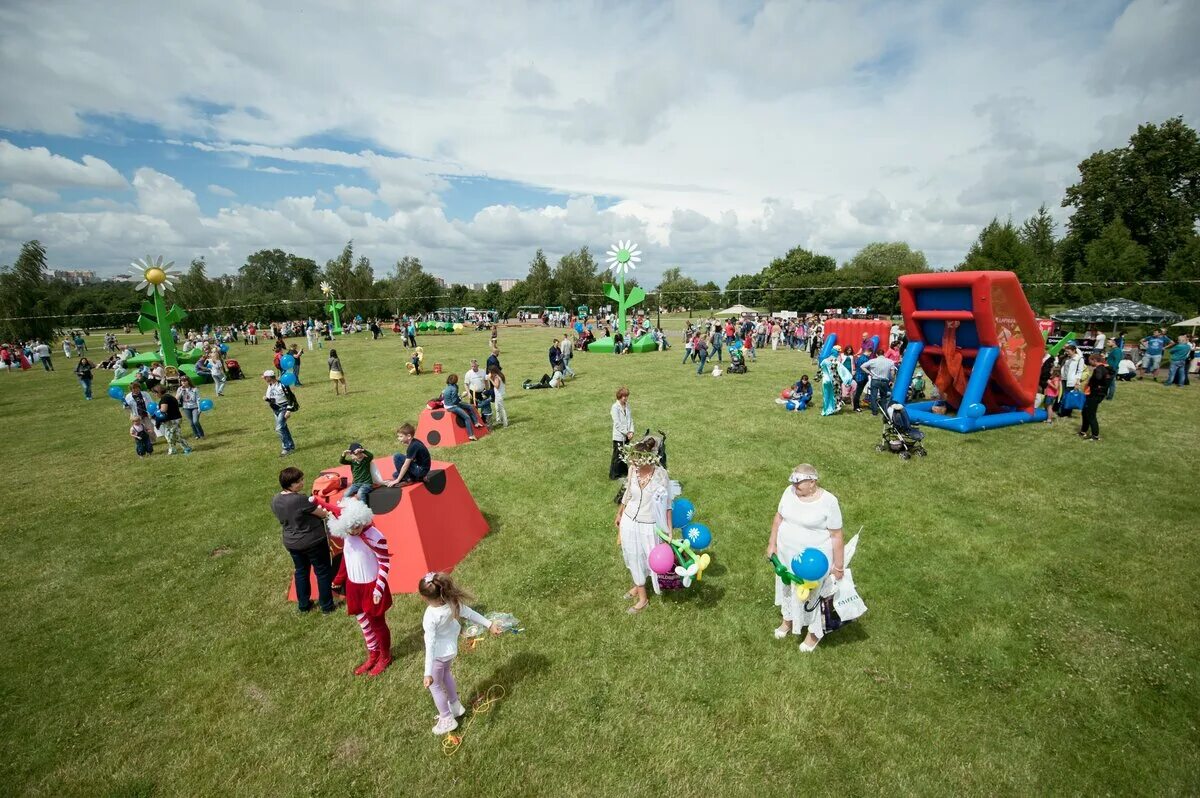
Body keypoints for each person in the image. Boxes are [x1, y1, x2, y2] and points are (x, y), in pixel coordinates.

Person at [765, 464, 845, 652]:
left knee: (814, 596)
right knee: (787, 588)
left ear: (812, 482)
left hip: (813, 563)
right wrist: (772, 544)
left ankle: (814, 633)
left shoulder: (829, 501)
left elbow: (837, 535)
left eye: (799, 482)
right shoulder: (789, 492)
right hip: (787, 557)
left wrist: (839, 567)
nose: (795, 486)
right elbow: (779, 518)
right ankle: (788, 620)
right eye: (792, 481)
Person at [418, 572, 501, 735]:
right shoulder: (451, 603)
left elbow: (430, 645)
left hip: (438, 655)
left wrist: (427, 673)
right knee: (446, 674)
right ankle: (455, 706)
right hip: (450, 651)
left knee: (435, 685)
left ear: (424, 597)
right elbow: (470, 613)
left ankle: (446, 718)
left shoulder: (430, 616)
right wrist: (489, 624)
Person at [328, 499, 393, 677]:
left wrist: (378, 589)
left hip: (371, 587)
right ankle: (373, 653)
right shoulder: (349, 536)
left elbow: (385, 563)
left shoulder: (375, 535)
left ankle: (385, 656)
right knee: (363, 622)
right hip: (353, 586)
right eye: (349, 528)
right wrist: (339, 579)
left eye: (356, 527)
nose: (353, 532)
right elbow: (346, 558)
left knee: (377, 624)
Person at [614, 437, 673, 614]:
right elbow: (627, 494)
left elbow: (668, 504)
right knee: (633, 555)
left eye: (637, 460)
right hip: (629, 521)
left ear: (648, 458)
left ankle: (641, 590)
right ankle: (641, 595)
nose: (633, 463)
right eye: (632, 460)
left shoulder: (661, 475)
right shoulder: (633, 470)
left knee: (647, 558)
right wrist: (619, 513)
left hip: (649, 525)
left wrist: (669, 530)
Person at [272, 467, 335, 614]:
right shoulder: (299, 499)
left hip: (291, 542)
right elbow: (322, 513)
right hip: (312, 541)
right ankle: (326, 606)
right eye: (298, 481)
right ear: (290, 484)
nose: (302, 483)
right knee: (322, 571)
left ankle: (304, 605)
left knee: (301, 571)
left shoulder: (276, 499)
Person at [263, 370, 296, 457]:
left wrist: (288, 411)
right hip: (275, 410)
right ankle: (291, 446)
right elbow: (273, 399)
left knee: (279, 428)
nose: (264, 379)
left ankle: (286, 448)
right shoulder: (270, 386)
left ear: (270, 377)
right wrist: (267, 399)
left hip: (284, 408)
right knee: (284, 428)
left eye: (265, 377)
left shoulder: (282, 385)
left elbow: (290, 398)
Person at [1079, 353, 1112, 441]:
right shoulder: (1106, 368)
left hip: (1095, 394)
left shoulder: (1099, 369)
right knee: (1085, 412)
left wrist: (1091, 383)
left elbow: (1098, 378)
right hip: (1098, 394)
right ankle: (1083, 431)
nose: (1089, 362)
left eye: (1090, 360)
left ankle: (1095, 436)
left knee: (1091, 414)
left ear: (1094, 360)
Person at [152, 384, 192, 455]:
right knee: (174, 435)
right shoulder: (169, 396)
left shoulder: (164, 398)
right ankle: (177, 450)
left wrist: (156, 412)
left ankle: (182, 449)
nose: (154, 395)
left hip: (172, 420)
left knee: (170, 436)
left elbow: (163, 410)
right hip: (176, 418)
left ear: (159, 392)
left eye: (155, 393)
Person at [441, 374, 483, 440]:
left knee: (469, 406)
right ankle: (471, 435)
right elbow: (455, 401)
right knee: (467, 417)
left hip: (451, 404)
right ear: (455, 380)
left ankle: (476, 422)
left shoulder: (449, 387)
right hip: (451, 407)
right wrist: (462, 396)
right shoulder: (454, 389)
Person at [610, 386, 633, 480]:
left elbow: (630, 419)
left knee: (625, 455)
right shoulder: (615, 407)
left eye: (626, 396)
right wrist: (627, 432)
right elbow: (617, 424)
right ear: (619, 396)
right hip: (619, 436)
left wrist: (631, 431)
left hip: (627, 435)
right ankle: (614, 475)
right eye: (624, 396)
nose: (625, 398)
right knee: (617, 456)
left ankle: (623, 472)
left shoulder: (627, 405)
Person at [863, 349, 896, 415]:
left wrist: (869, 373)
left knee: (873, 396)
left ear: (876, 354)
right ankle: (884, 411)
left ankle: (874, 412)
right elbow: (892, 373)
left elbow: (862, 366)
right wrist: (892, 380)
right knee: (883, 397)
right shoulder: (890, 361)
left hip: (875, 380)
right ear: (884, 354)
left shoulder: (873, 361)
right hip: (884, 381)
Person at [1058, 345, 1084, 417]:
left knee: (1068, 397)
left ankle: (1066, 412)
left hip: (1072, 381)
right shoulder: (1067, 358)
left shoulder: (1079, 359)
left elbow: (1080, 371)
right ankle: (1062, 411)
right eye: (1066, 351)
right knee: (1063, 395)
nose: (1067, 353)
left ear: (1074, 351)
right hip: (1064, 379)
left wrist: (1077, 382)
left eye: (1068, 351)